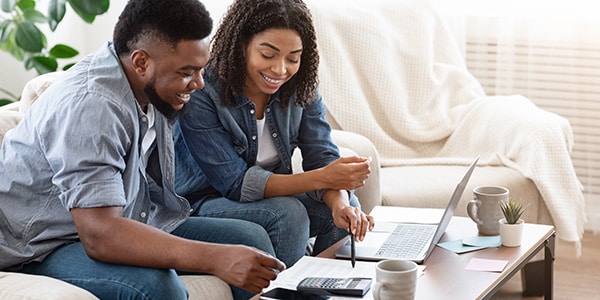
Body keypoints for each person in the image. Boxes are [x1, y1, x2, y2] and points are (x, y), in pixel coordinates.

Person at [0, 0, 285, 299]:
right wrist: (215, 257)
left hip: (126, 219)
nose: (199, 84)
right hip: (40, 245)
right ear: (140, 62)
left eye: (201, 69)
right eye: (187, 72)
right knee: (155, 286)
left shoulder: (150, 85)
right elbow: (100, 234)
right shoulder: (93, 106)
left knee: (251, 240)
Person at [174, 0, 375, 268]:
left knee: (344, 205)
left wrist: (340, 204)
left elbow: (321, 155)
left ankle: (324, 290)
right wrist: (324, 177)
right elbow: (235, 183)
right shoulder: (203, 89)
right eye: (268, 55)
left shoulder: (301, 85)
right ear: (242, 44)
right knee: (289, 215)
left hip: (262, 201)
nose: (280, 70)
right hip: (202, 203)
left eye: (292, 58)